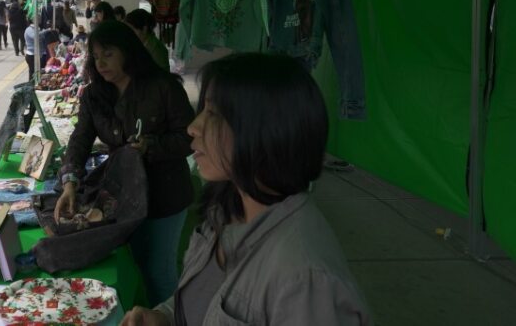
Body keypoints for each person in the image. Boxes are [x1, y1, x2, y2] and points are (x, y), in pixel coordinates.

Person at [122, 53, 371, 326]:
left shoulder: (306, 281)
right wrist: (164, 317)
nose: (193, 127)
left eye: (213, 114)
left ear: (266, 131)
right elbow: (201, 300)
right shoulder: (224, 209)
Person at [55, 20, 194, 306]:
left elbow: (189, 138)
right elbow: (80, 141)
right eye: (95, 56)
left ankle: (169, 318)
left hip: (165, 194)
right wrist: (70, 182)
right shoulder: (95, 95)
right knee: (135, 262)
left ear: (127, 52)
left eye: (108, 54)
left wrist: (151, 146)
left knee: (159, 270)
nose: (101, 62)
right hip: (125, 196)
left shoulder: (162, 87)